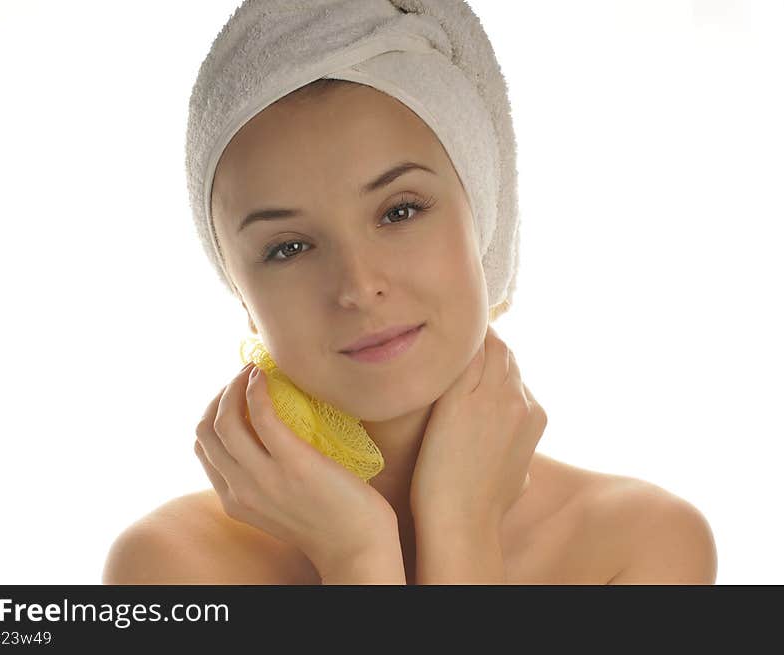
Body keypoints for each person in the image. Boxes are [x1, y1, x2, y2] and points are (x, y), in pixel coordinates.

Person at [103, 2, 717, 585]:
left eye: (399, 211)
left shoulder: (640, 544)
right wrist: (356, 554)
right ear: (239, 290)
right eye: (288, 247)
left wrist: (463, 526)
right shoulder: (173, 566)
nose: (358, 286)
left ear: (484, 215)